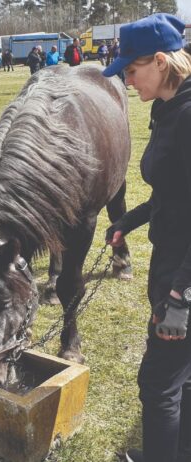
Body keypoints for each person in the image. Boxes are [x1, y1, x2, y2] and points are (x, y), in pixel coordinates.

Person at [103, 13, 191, 462]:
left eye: (131, 71)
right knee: (181, 378)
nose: (128, 81)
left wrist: (181, 296)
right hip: (171, 261)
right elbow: (173, 192)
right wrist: (128, 222)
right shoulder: (170, 108)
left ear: (161, 61)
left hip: (182, 274)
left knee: (157, 385)